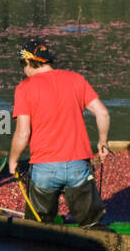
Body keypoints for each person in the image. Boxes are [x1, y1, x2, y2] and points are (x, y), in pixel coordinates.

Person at [8, 38, 110, 226]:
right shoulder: (76, 79)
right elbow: (102, 113)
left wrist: (13, 160)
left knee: (38, 227)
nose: (23, 71)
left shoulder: (24, 88)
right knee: (91, 224)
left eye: (23, 65)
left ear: (29, 62)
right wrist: (103, 142)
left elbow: (23, 134)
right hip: (78, 165)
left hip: (44, 167)